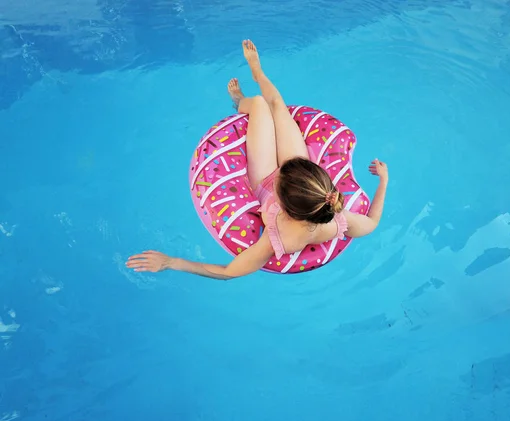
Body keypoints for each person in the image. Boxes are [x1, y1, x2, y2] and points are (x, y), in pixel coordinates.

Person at [126, 40, 388, 280]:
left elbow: (229, 271)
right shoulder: (339, 218)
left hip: (264, 179)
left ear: (283, 205)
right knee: (270, 103)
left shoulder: (281, 236)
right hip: (298, 178)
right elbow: (373, 223)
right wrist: (384, 182)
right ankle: (246, 95)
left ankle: (242, 103)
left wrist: (171, 262)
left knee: (260, 106)